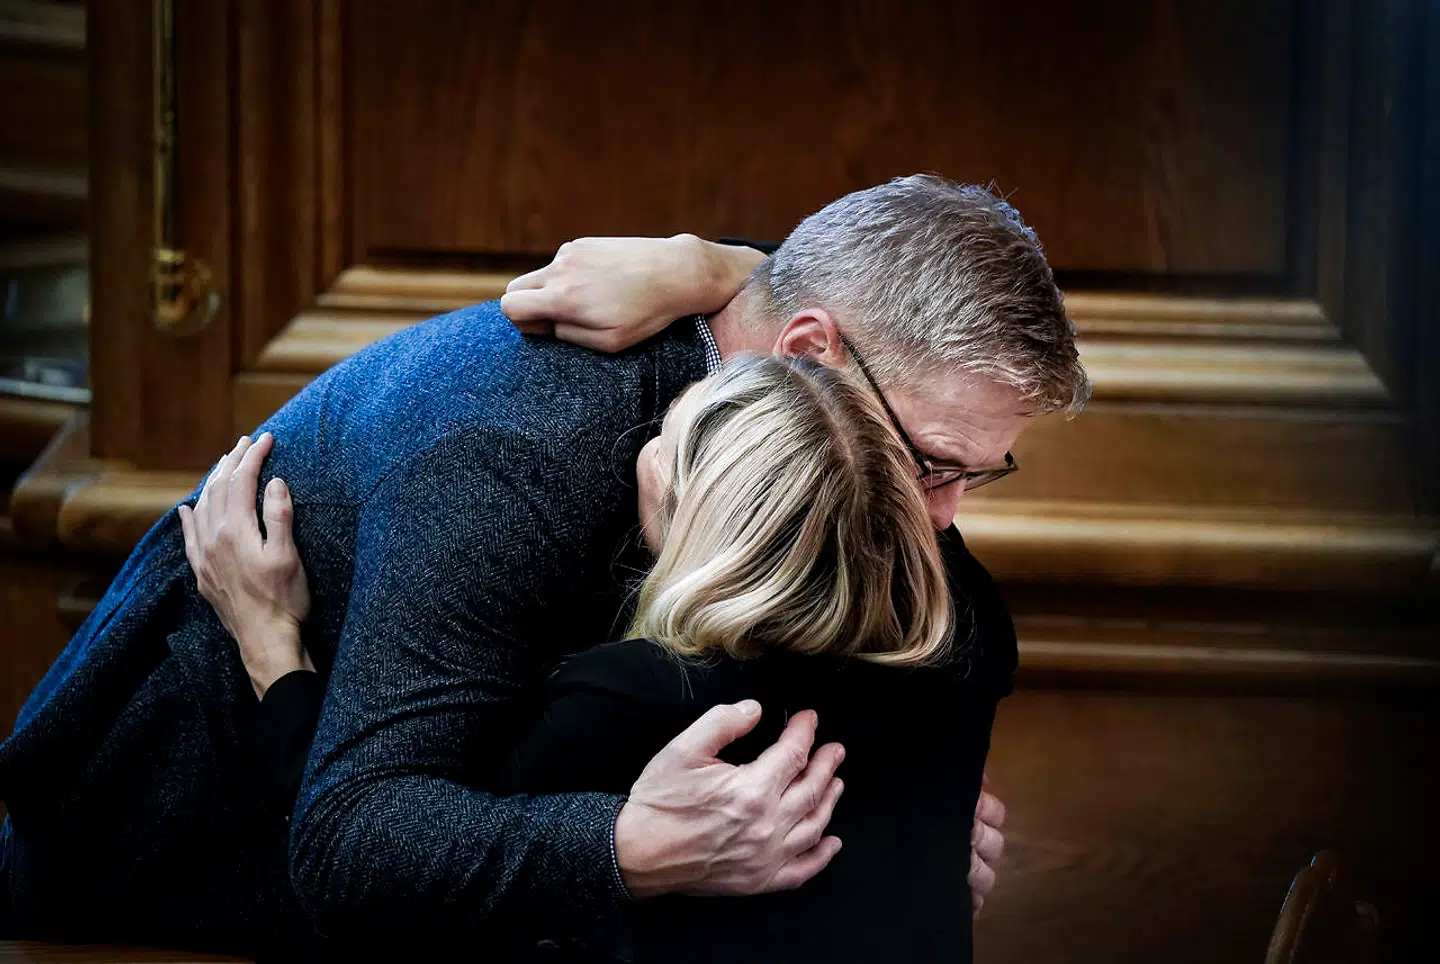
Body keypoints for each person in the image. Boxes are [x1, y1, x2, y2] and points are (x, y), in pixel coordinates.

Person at [0, 175, 1083, 956]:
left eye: (974, 474)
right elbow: (354, 843)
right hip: (180, 868)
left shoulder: (829, 438)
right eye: (934, 464)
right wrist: (624, 847)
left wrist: (896, 832)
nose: (943, 524)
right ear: (806, 355)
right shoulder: (518, 452)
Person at [185, 352, 1016, 963]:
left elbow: (392, 888)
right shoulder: (970, 649)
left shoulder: (633, 693)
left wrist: (270, 646)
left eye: (675, 437)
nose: (646, 442)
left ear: (709, 521)